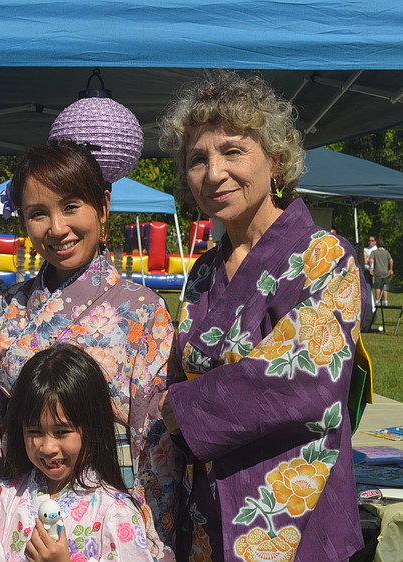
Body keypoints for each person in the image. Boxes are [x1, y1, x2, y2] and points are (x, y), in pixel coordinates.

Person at [158, 70, 366, 561]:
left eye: (233, 151)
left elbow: (306, 375)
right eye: (197, 159)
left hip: (295, 512)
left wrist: (182, 408)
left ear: (275, 160)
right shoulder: (206, 269)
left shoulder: (324, 255)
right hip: (207, 512)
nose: (213, 174)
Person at [0, 139, 178, 560]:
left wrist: (149, 526)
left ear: (102, 207)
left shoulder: (142, 310)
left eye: (71, 206)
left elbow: (154, 436)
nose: (57, 228)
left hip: (108, 513)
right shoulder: (8, 308)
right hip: (20, 505)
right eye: (38, 214)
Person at [0, 344, 156, 562]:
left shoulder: (116, 513)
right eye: (35, 431)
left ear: (93, 428)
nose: (48, 447)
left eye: (62, 431)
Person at [369, 238, 394, 305]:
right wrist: (390, 269)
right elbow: (391, 260)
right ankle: (385, 301)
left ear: (376, 244)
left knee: (378, 287)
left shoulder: (374, 252)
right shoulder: (386, 252)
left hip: (377, 272)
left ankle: (377, 301)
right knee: (385, 287)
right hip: (385, 272)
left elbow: (371, 260)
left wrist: (370, 268)